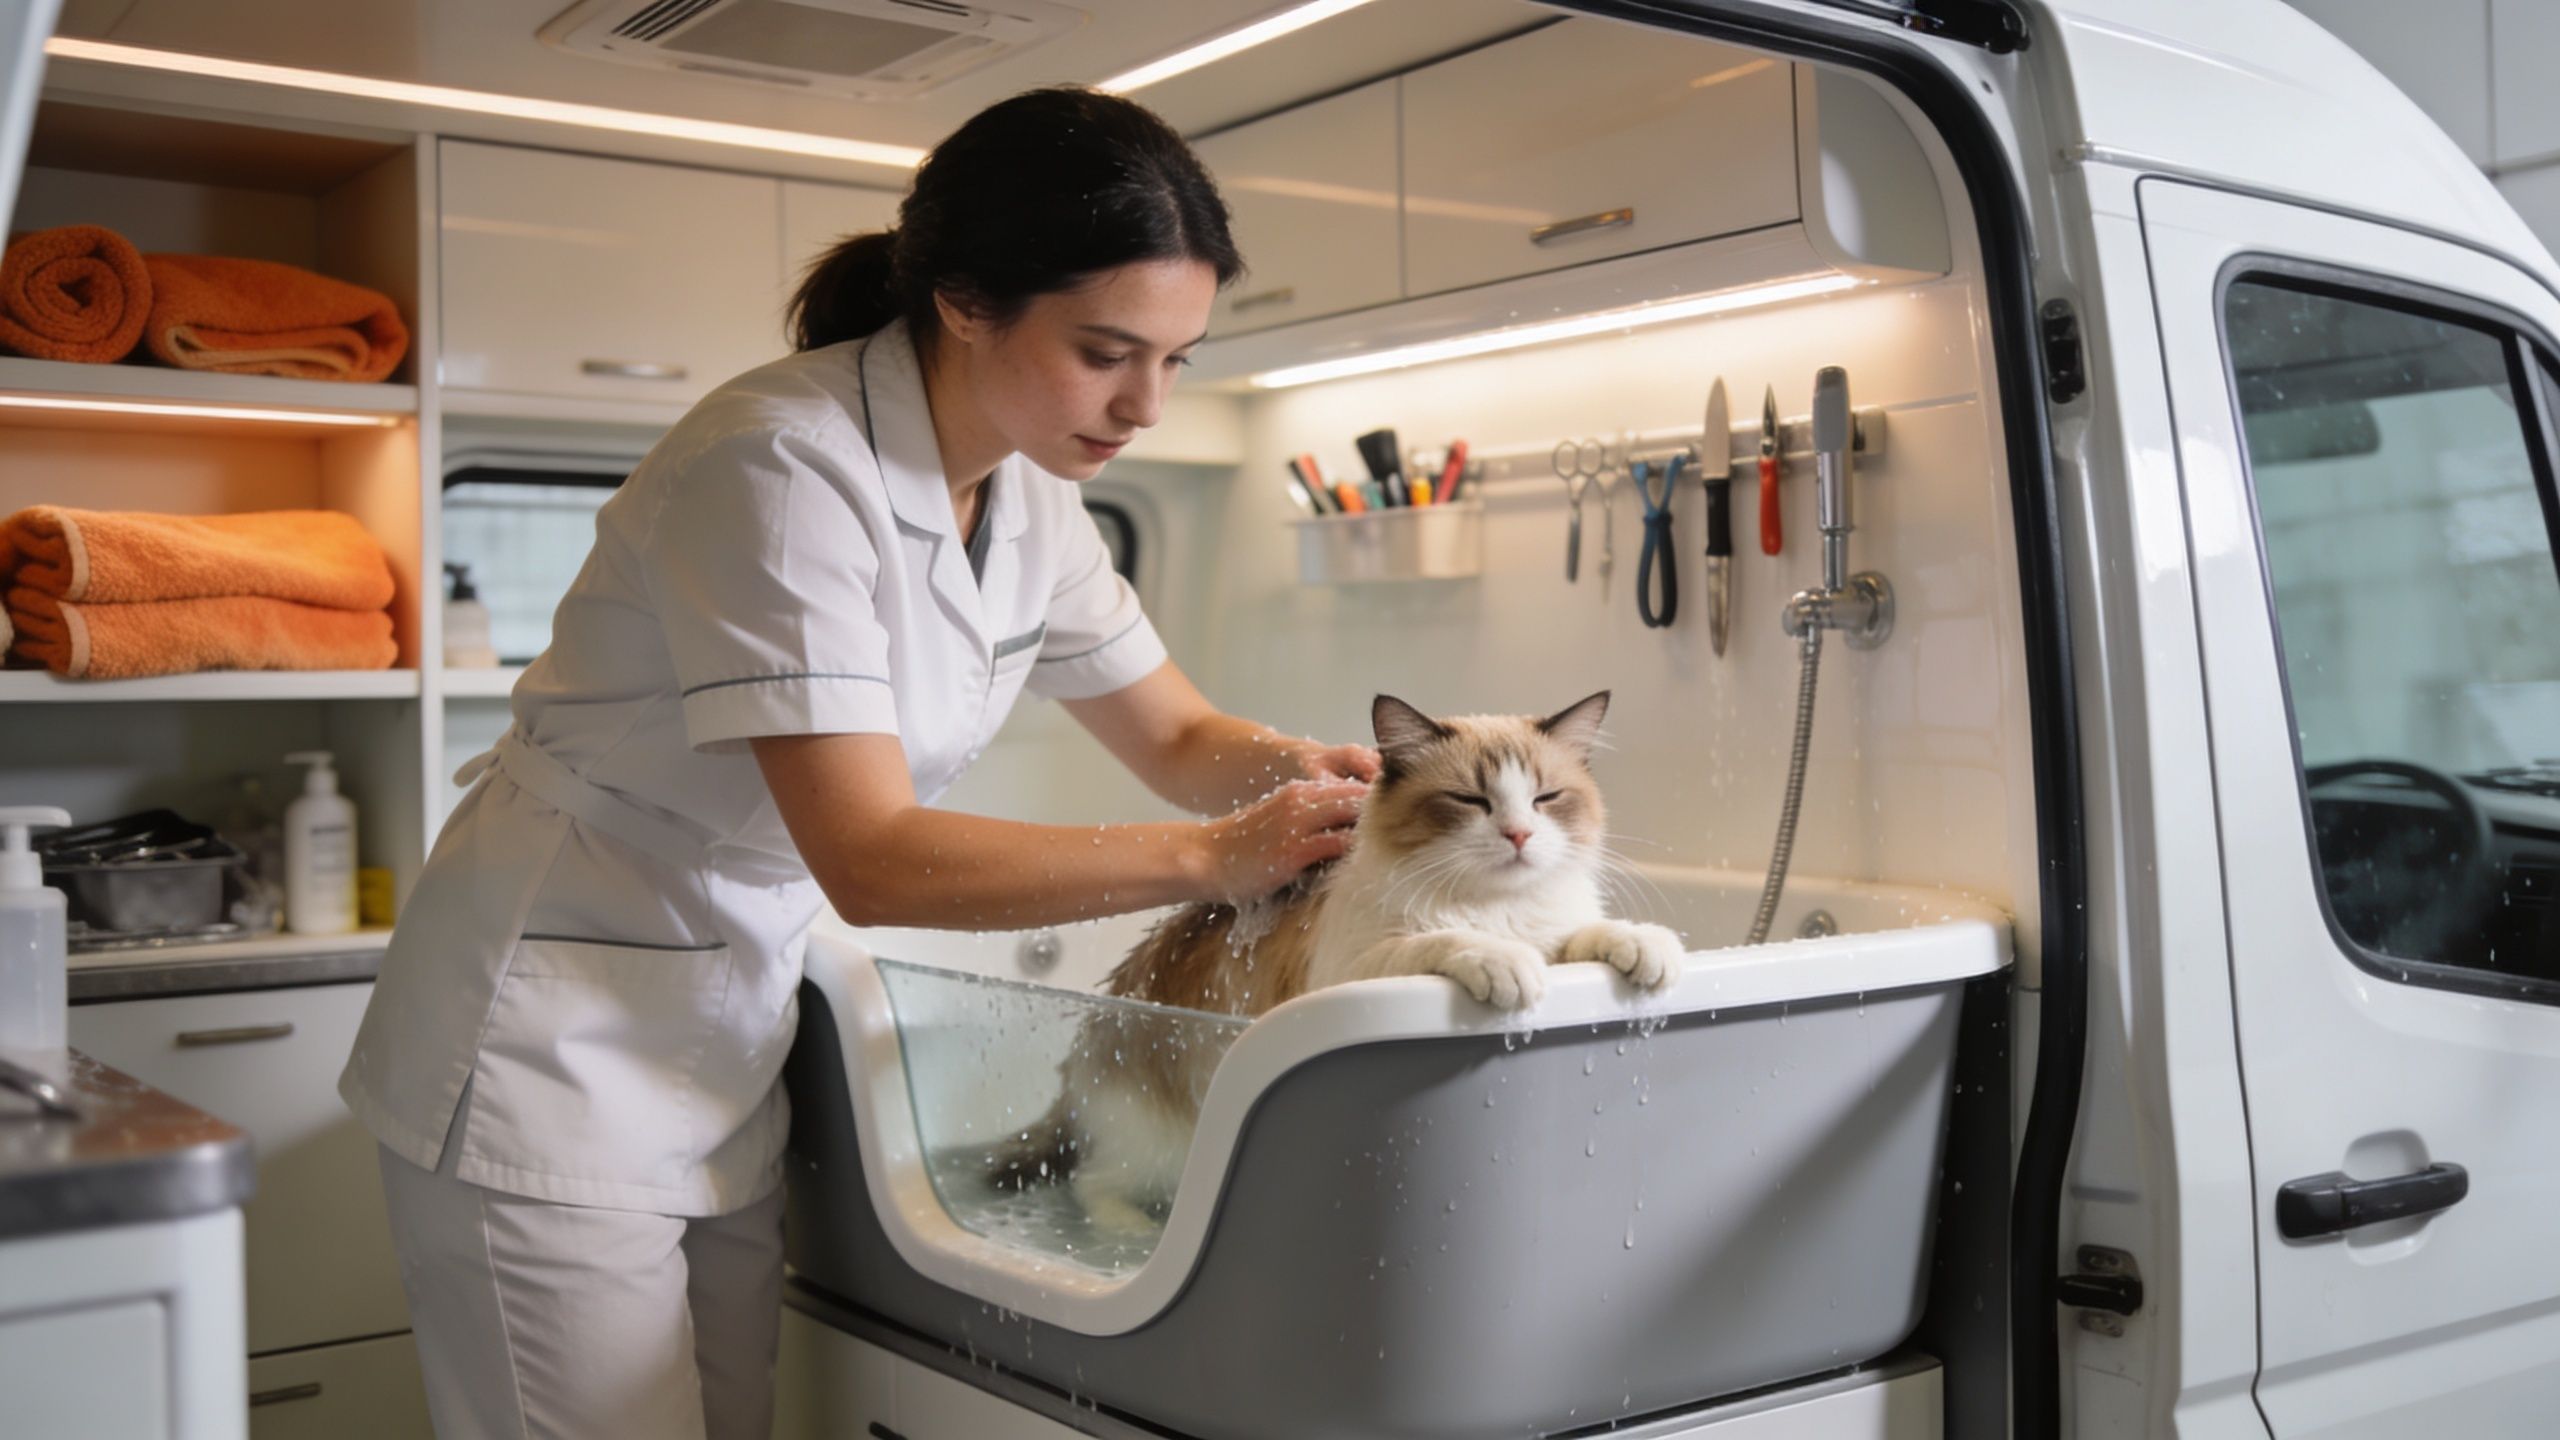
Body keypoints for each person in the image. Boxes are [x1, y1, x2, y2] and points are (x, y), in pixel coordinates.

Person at [337, 86, 1377, 1440]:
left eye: (1176, 360)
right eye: (1108, 351)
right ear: (961, 300)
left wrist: (1330, 777)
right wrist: (1213, 856)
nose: (1147, 405)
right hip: (556, 1038)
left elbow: (1178, 738)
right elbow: (870, 854)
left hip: (719, 1025)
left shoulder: (1034, 494)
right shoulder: (776, 464)